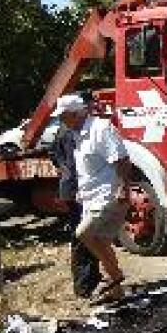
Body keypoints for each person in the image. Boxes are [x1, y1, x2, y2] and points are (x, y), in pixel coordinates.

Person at [53, 93, 131, 304]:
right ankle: (116, 287)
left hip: (108, 195)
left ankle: (116, 278)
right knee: (102, 242)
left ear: (78, 113)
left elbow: (122, 160)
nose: (62, 121)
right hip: (90, 198)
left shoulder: (101, 129)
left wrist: (124, 188)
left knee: (83, 233)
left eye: (64, 116)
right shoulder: (76, 133)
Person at [50, 94, 101, 298]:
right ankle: (84, 285)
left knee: (82, 236)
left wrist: (63, 171)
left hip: (70, 189)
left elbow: (53, 155)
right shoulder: (71, 133)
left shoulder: (63, 131)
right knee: (83, 237)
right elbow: (78, 164)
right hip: (77, 190)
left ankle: (87, 281)